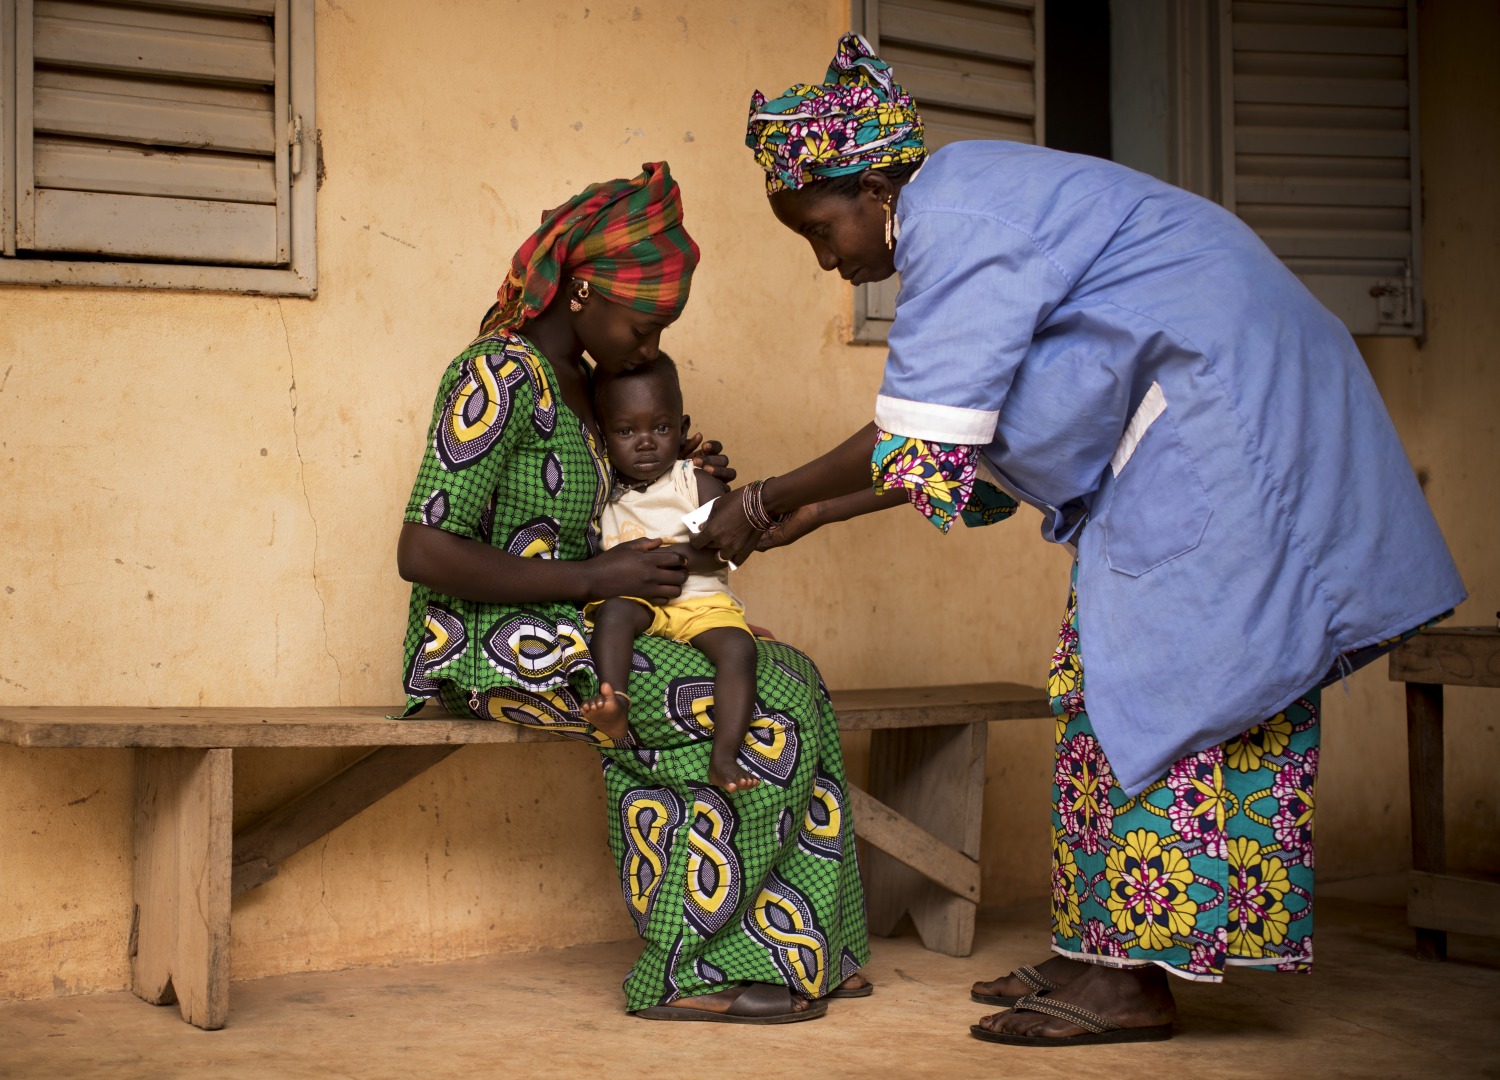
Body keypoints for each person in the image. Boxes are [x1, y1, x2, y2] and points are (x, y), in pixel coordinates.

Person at [692, 35, 1467, 1046]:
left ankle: (1129, 983)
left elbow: (922, 432)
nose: (827, 258)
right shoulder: (970, 206)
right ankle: (1103, 950)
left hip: (1228, 438)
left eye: (821, 227)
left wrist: (757, 506)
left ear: (875, 186)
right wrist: (817, 510)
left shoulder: (957, 214)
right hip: (1200, 435)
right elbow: (972, 428)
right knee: (1101, 680)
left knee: (1155, 690)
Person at [395, 161, 870, 1023]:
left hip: (591, 618)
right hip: (494, 641)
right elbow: (420, 550)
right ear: (581, 293)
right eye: (645, 325)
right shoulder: (495, 376)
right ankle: (689, 973)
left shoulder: (589, 388)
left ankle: (808, 949)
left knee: (793, 677)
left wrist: (690, 491)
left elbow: (617, 527)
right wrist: (594, 579)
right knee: (723, 709)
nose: (650, 347)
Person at [579, 353, 763, 794]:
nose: (645, 443)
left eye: (660, 429)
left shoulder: (694, 482)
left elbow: (724, 550)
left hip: (700, 603)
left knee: (739, 649)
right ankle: (615, 702)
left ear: (682, 431)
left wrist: (664, 562)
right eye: (625, 431)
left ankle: (724, 757)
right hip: (639, 603)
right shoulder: (602, 490)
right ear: (603, 437)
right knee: (614, 614)